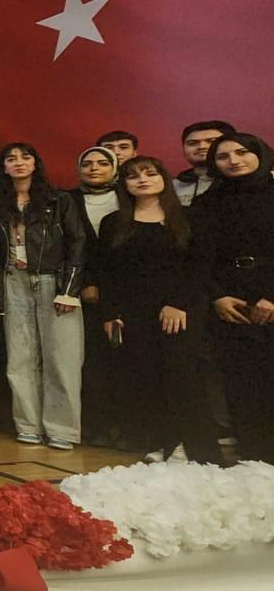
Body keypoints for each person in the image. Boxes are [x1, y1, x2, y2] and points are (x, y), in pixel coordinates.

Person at [89, 156, 225, 464]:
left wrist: (178, 303)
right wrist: (111, 314)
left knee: (183, 376)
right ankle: (166, 442)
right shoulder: (113, 223)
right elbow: (106, 272)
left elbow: (200, 266)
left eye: (150, 173)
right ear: (124, 184)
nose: (142, 180)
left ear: (163, 178)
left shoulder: (190, 217)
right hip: (132, 312)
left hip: (180, 310)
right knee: (146, 377)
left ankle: (201, 450)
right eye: (133, 176)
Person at [0, 143, 86, 450]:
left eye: (25, 157)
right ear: (4, 168)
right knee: (20, 358)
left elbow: (78, 243)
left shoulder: (59, 200)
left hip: (52, 280)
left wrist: (69, 290)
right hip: (12, 280)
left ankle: (62, 429)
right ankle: (28, 425)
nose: (19, 162)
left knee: (62, 358)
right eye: (11, 159)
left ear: (36, 163)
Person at [193, 133, 274, 462]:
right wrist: (217, 297)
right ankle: (254, 453)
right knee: (241, 376)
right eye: (223, 156)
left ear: (261, 155)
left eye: (242, 152)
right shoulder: (207, 203)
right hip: (228, 295)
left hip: (270, 289)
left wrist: (271, 297)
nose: (234, 161)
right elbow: (197, 257)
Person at [70, 147, 122, 448]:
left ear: (115, 168)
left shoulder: (129, 197)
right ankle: (97, 426)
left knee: (127, 360)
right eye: (87, 163)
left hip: (127, 290)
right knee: (92, 363)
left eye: (103, 163)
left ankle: (130, 427)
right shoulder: (67, 200)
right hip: (85, 292)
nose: (94, 168)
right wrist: (87, 282)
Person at [174, 120, 235, 206]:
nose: (202, 147)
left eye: (211, 141)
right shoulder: (172, 186)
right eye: (192, 143)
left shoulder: (246, 181)